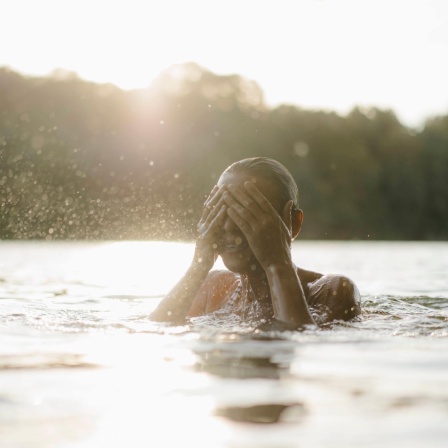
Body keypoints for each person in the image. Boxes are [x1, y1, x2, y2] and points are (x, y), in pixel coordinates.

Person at [150, 157, 361, 329]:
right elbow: (158, 330)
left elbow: (296, 340)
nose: (229, 228)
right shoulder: (214, 288)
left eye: (247, 213)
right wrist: (198, 266)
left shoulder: (330, 291)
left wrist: (276, 264)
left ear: (293, 224)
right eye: (222, 212)